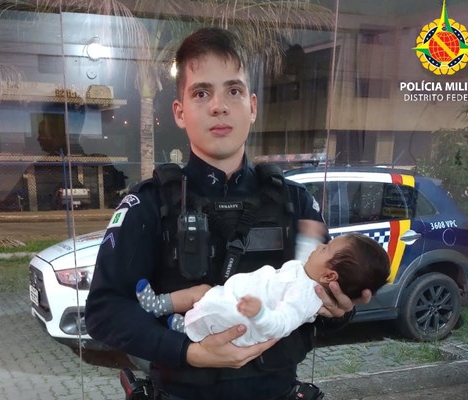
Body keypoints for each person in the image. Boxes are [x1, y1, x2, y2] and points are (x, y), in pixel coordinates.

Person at [85, 27, 372, 400]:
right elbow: (104, 312)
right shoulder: (149, 205)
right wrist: (189, 352)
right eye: (201, 92)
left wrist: (341, 309)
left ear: (252, 106)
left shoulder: (295, 204)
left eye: (233, 91)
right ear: (180, 112)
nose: (219, 105)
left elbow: (322, 300)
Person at [136, 232, 390, 347]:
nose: (320, 245)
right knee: (201, 292)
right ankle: (159, 305)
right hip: (233, 299)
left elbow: (282, 323)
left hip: (246, 319)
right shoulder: (306, 272)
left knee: (214, 311)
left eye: (326, 248)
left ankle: (185, 327)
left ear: (329, 275)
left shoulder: (307, 297)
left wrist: (259, 314)